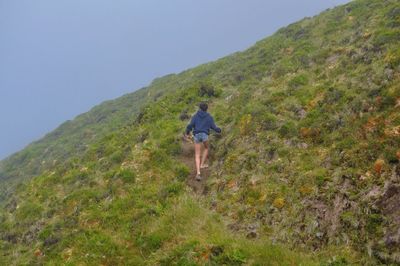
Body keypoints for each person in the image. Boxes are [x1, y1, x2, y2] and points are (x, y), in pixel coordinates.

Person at [186, 102, 221, 181]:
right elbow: (214, 127)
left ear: (200, 108)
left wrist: (187, 132)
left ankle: (198, 173)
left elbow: (190, 125)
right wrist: (219, 130)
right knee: (206, 148)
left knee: (197, 154)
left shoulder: (195, 116)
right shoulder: (209, 117)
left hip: (196, 135)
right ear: (206, 109)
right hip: (205, 135)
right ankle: (202, 165)